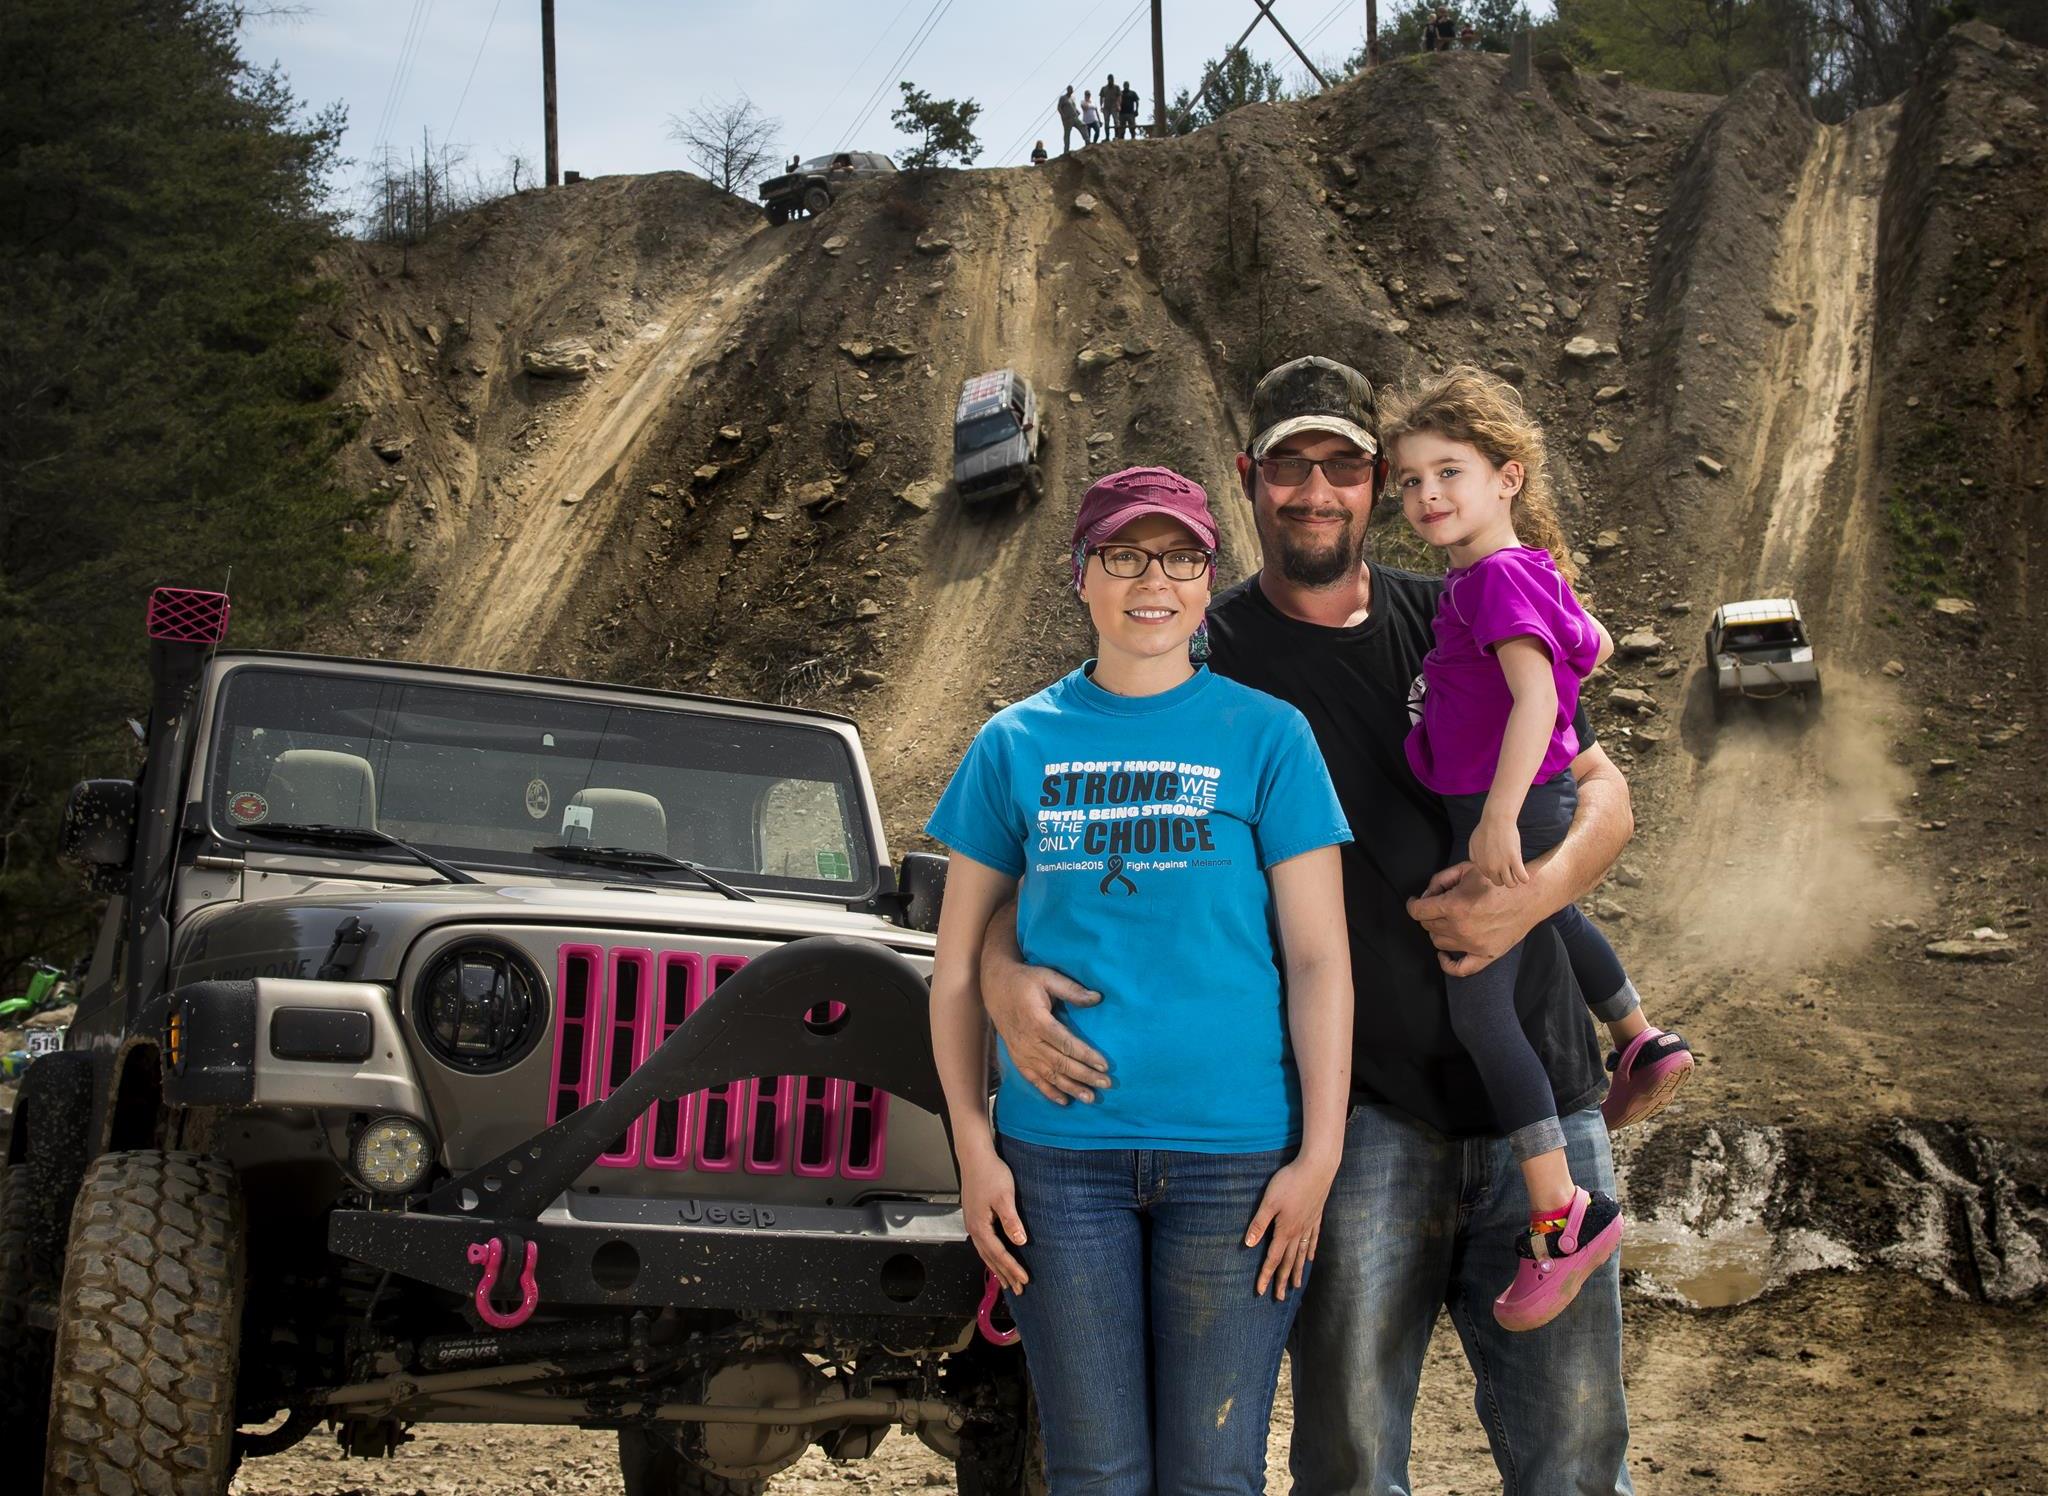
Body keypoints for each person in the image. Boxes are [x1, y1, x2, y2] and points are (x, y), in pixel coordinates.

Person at [981, 358, 1639, 1494]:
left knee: (1575, 1457)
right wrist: (996, 969)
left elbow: (1601, 789)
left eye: (1342, 465)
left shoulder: (1462, 607)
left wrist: (1537, 891)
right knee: (1344, 1458)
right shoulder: (1201, 651)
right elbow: (1061, 831)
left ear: (1376, 485)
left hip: (1538, 1096)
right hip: (1360, 1120)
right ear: (1250, 480)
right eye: (1290, 466)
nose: (1315, 490)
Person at [928, 467, 1355, 1493]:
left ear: (1207, 581)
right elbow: (952, 967)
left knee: (1213, 1471)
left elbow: (1317, 958)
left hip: (1237, 1164)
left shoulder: (1268, 737)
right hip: (1058, 1169)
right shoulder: (1013, 742)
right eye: (1123, 554)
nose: (1149, 579)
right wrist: (973, 1149)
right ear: (1081, 574)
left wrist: (1320, 1155)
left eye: (1178, 557)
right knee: (1096, 1470)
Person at [1382, 366, 1695, 1332]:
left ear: (1507, 477)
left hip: (1505, 801)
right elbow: (1588, 646)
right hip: (1525, 792)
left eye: (1451, 472)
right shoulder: (1523, 572)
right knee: (1555, 918)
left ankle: (1564, 1215)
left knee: (1481, 1005)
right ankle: (1639, 1037)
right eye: (1410, 480)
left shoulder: (1497, 579)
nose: (1427, 495)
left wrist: (1498, 817)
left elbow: (1532, 699)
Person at [1057, 85, 1080, 154]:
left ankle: (1087, 141)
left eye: (1072, 90)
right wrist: (1063, 115)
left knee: (1082, 126)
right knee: (1067, 134)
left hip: (1075, 117)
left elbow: (1074, 106)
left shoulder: (1073, 98)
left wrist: (1077, 111)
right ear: (1067, 90)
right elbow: (1059, 108)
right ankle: (1066, 150)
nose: (1071, 91)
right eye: (1070, 89)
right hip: (1067, 119)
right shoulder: (1063, 98)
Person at [1101, 75, 1121, 140]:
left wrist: (1118, 105)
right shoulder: (1104, 88)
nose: (1111, 80)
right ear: (1108, 80)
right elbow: (1101, 97)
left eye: (1112, 79)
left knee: (1116, 121)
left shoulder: (1116, 87)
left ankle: (1116, 136)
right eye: (1110, 79)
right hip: (1106, 107)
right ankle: (1107, 137)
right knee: (1106, 122)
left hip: (1114, 106)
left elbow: (1119, 97)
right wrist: (1101, 106)